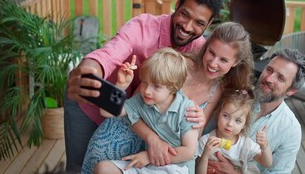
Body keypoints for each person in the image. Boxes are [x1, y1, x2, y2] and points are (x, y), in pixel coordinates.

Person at [64, 0, 222, 172]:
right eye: (184, 14)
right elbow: (110, 52)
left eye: (199, 23)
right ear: (178, 3)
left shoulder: (199, 51)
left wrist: (200, 115)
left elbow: (210, 83)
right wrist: (90, 68)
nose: (188, 27)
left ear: (210, 23)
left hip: (131, 121)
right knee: (76, 167)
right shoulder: (142, 27)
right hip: (92, 102)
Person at [81, 22, 253, 173]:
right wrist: (120, 87)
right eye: (211, 53)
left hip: (168, 159)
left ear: (236, 62)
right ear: (205, 47)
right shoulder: (175, 65)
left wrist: (199, 122)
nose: (214, 63)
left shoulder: (218, 90)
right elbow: (134, 105)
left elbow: (191, 143)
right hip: (131, 133)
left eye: (223, 60)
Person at [95, 47, 199, 174]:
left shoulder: (186, 109)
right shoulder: (140, 101)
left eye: (157, 86)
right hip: (149, 167)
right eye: (144, 82)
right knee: (103, 168)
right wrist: (121, 85)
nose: (147, 91)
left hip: (177, 167)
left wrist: (149, 157)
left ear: (173, 87)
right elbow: (105, 112)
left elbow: (189, 151)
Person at [208, 48, 305, 174]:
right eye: (269, 70)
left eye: (280, 78)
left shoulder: (291, 130)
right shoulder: (235, 95)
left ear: (291, 90)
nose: (269, 79)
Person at [196, 89, 272, 174]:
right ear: (218, 114)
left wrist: (264, 146)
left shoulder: (246, 145)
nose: (230, 124)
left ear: (244, 124)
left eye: (238, 121)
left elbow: (267, 163)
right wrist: (205, 156)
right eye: (226, 116)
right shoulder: (206, 140)